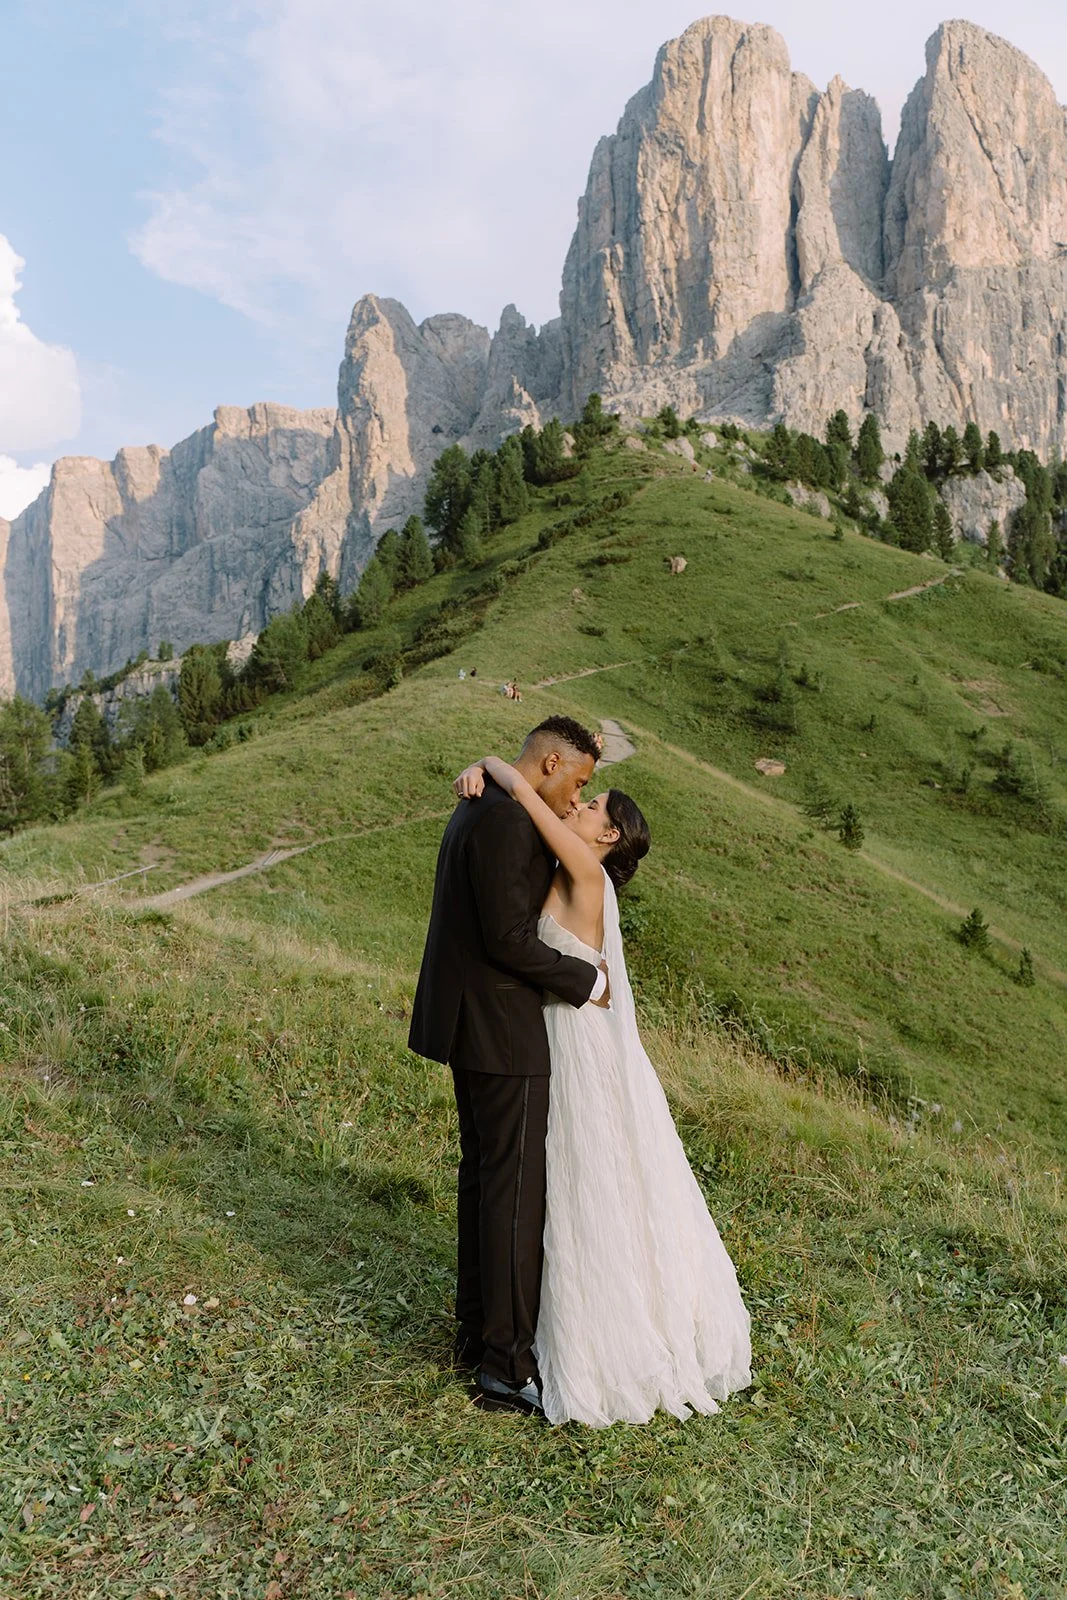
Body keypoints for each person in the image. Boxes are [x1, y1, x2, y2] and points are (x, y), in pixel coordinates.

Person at [449, 753, 752, 1426]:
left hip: (578, 1047)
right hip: (547, 1037)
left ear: (608, 836)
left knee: (586, 1179)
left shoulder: (585, 872)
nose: (580, 807)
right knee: (553, 1183)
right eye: (583, 800)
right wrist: (479, 772)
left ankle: (594, 1332)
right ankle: (529, 1323)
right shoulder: (566, 865)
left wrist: (496, 764)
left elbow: (531, 799)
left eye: (592, 807)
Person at [408, 717, 611, 1414]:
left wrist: (489, 765)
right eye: (578, 783)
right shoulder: (506, 821)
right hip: (499, 1032)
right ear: (551, 763)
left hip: (473, 1025)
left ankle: (474, 1337)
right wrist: (585, 983)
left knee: (484, 1185)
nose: (576, 796)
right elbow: (505, 939)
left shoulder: (481, 803)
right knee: (512, 1199)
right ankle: (504, 1367)